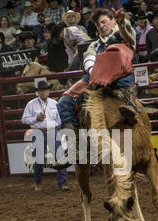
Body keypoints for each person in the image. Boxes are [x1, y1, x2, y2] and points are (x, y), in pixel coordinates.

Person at [55, 7, 138, 158]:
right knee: (63, 103)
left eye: (104, 22)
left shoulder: (123, 34)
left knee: (127, 98)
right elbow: (88, 59)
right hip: (97, 75)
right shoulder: (93, 45)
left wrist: (122, 23)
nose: (101, 26)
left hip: (120, 74)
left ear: (113, 21)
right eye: (99, 24)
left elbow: (129, 36)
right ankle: (74, 144)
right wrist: (96, 72)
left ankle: (130, 105)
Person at [21, 80, 69, 191]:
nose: (43, 93)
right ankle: (38, 183)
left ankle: (63, 183)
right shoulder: (31, 104)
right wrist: (35, 118)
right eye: (41, 91)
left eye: (45, 90)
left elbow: (60, 120)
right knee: (39, 159)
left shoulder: (54, 104)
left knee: (60, 156)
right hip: (38, 132)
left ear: (48, 91)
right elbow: (24, 119)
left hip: (53, 130)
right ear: (37, 92)